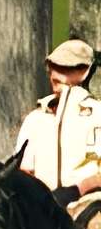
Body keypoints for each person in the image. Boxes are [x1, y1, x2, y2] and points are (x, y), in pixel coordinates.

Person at [14, 36, 101, 209]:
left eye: (66, 68)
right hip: (43, 210)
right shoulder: (36, 119)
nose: (54, 72)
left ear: (85, 71)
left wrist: (77, 190)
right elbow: (22, 170)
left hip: (92, 207)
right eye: (53, 66)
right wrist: (41, 196)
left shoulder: (97, 114)